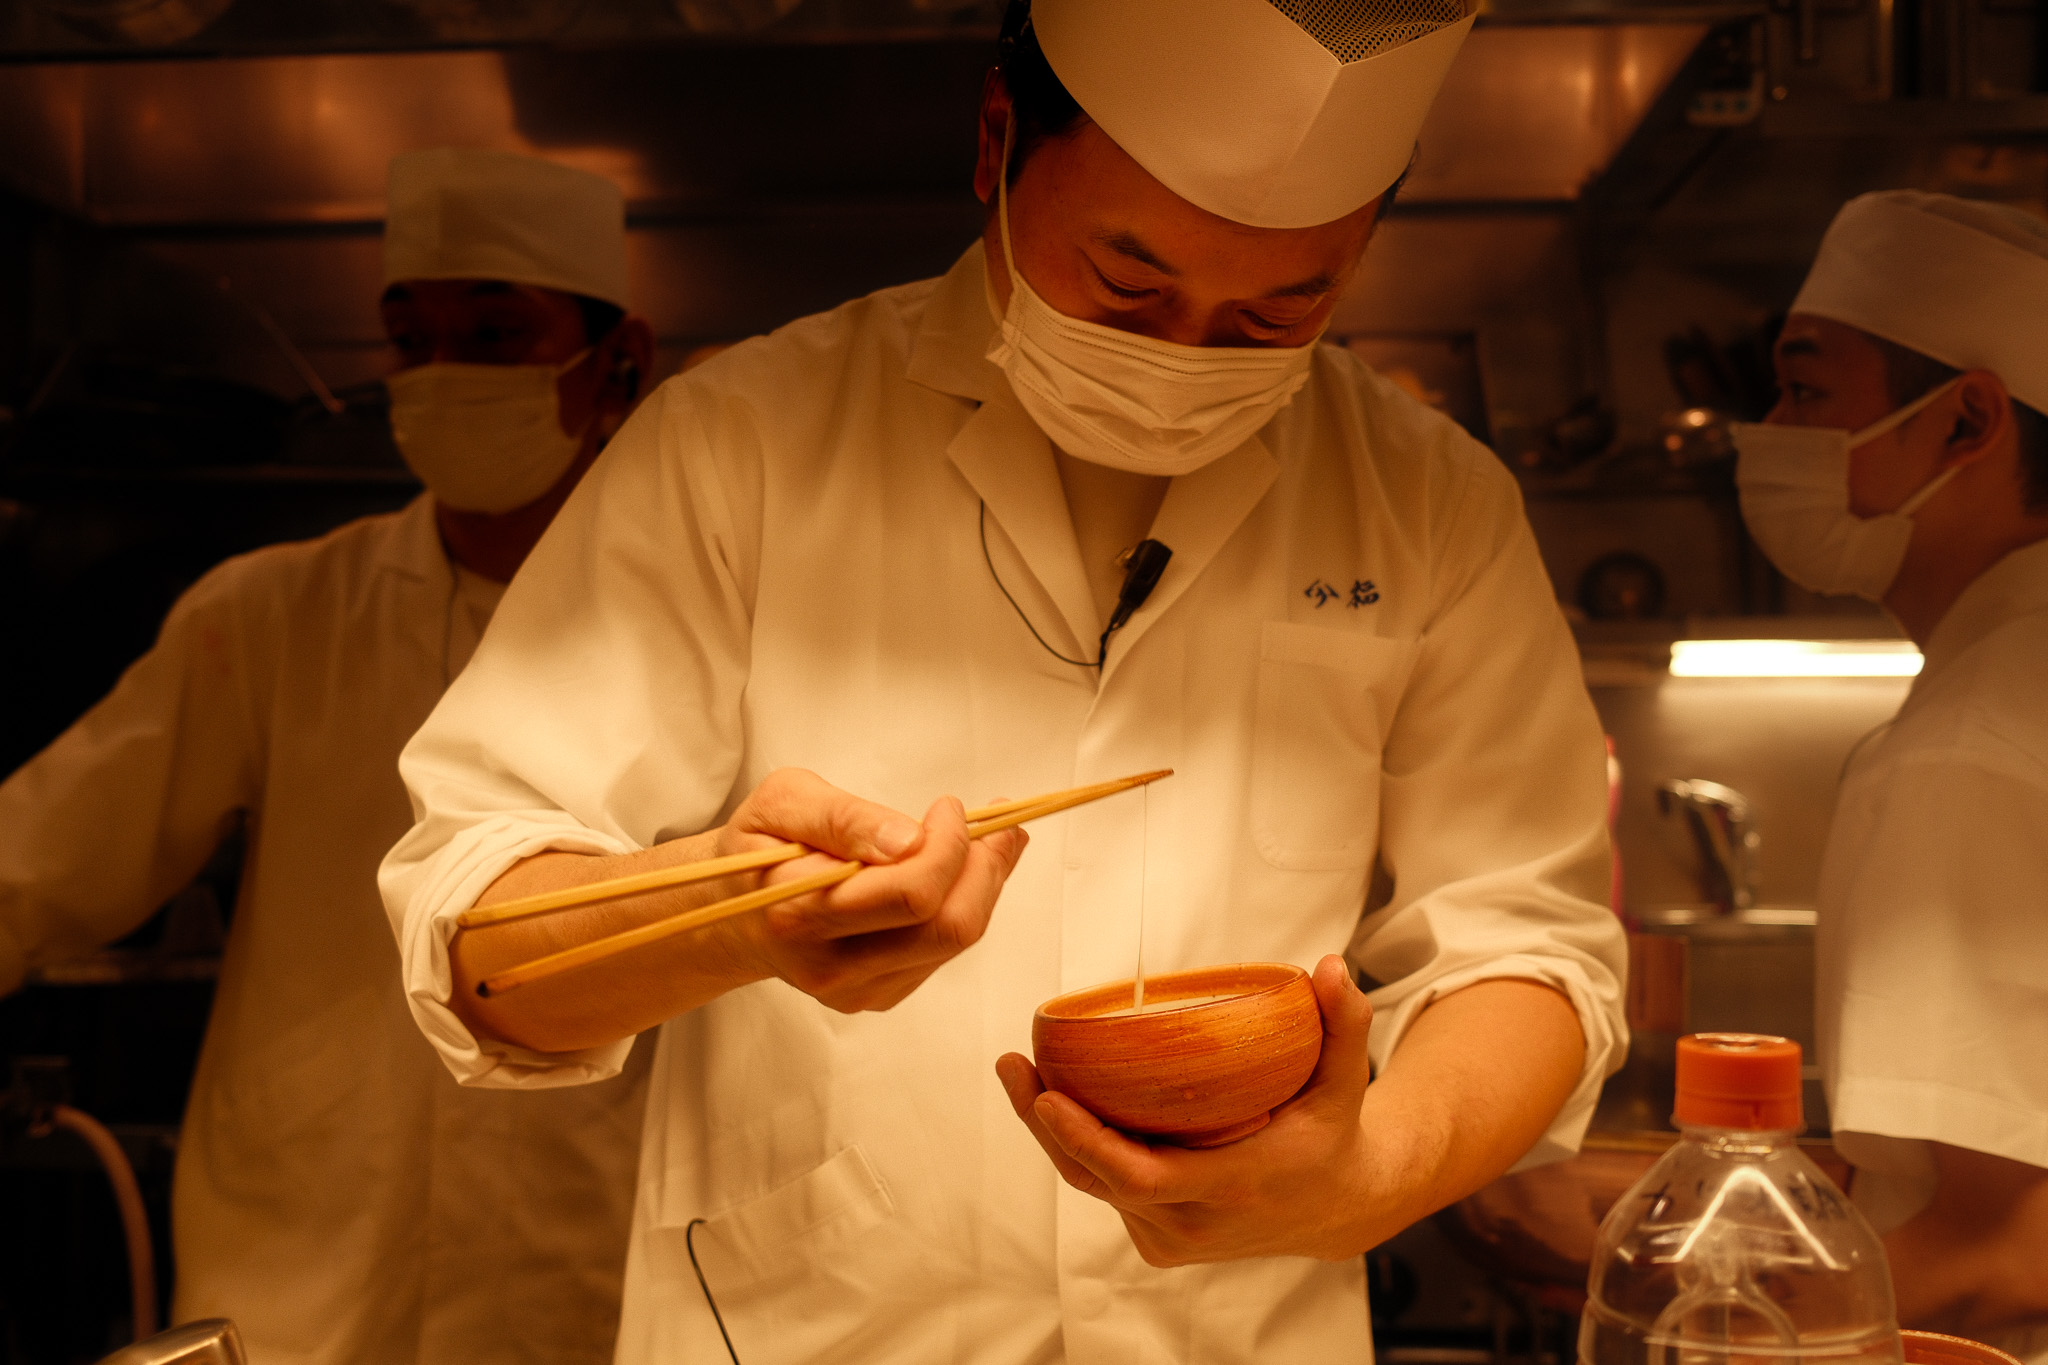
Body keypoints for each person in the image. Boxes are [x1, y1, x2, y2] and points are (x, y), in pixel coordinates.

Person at [379, 3, 1627, 1359]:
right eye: (1126, 282)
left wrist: (1366, 1180)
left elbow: (1528, 943)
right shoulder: (743, 440)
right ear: (995, 140)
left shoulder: (1425, 499)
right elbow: (478, 933)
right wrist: (731, 915)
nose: (1182, 356)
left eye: (1280, 309)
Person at [0, 148, 656, 1364]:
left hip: (594, 1261)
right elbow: (35, 861)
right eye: (413, 341)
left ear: (619, 360)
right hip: (302, 1263)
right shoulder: (276, 617)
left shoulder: (698, 624)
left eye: (496, 333)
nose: (445, 374)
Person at [1733, 190, 2048, 1351]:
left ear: (1966, 421)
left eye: (1806, 391)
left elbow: (2005, 1256)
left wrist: (1706, 1319)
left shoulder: (1965, 747)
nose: (1769, 430)